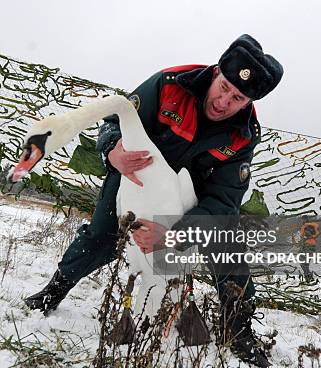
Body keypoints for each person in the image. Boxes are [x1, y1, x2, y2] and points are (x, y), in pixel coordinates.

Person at [24, 34, 282, 366]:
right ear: (217, 71)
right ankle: (54, 291)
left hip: (192, 196)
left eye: (237, 98)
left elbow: (224, 201)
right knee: (102, 234)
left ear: (248, 103)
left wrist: (174, 232)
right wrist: (112, 150)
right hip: (136, 175)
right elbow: (115, 121)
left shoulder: (243, 136)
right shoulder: (169, 84)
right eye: (224, 87)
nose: (223, 101)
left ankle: (240, 331)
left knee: (227, 245)